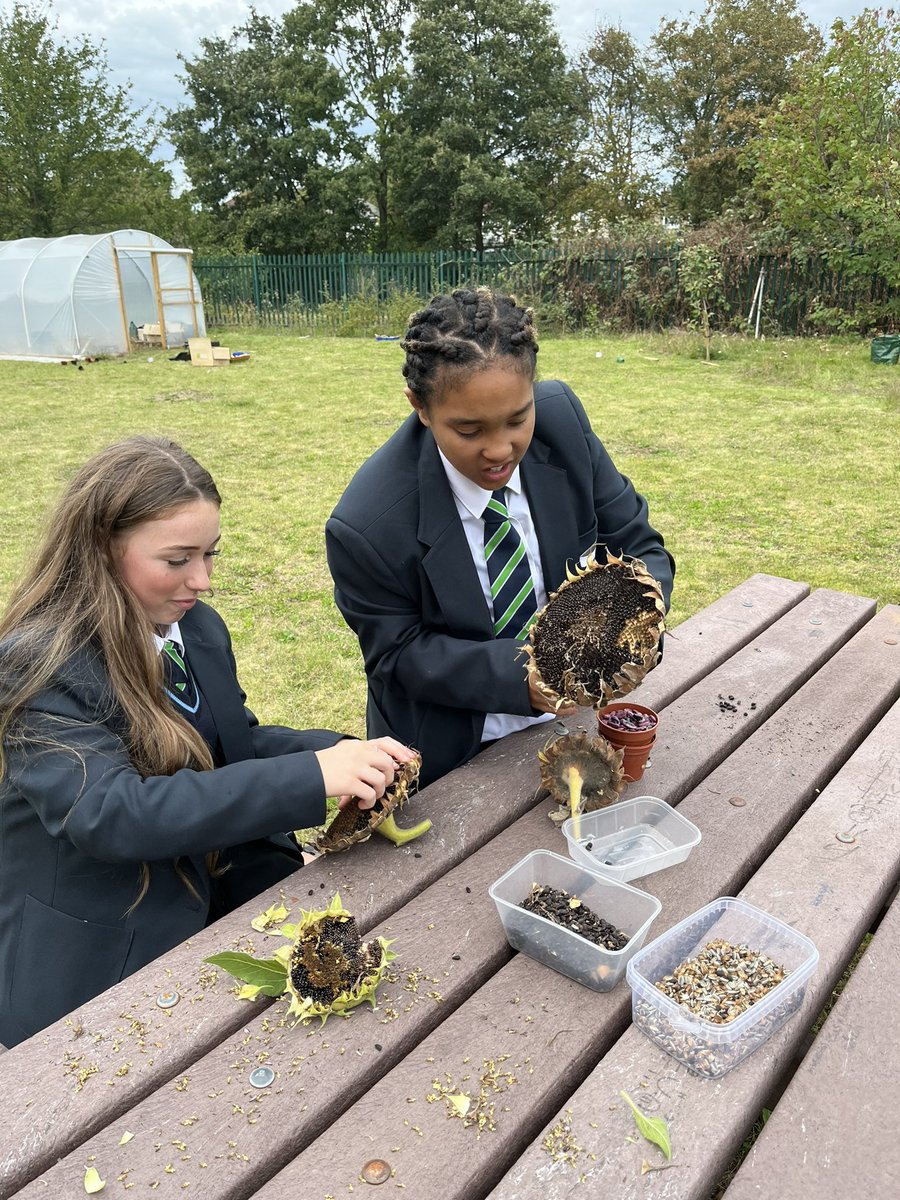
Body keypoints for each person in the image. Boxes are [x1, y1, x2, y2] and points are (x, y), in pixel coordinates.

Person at [0, 436, 414, 1048]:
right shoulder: (41, 664)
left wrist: (345, 753)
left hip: (212, 915)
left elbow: (229, 743)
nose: (203, 580)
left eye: (210, 555)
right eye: (177, 559)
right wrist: (311, 777)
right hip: (101, 962)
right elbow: (111, 813)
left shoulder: (194, 627)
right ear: (100, 552)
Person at [326, 287, 675, 789]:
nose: (500, 449)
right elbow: (397, 655)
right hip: (452, 754)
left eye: (517, 419)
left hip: (578, 725)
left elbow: (638, 545)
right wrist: (525, 678)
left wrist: (634, 630)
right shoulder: (367, 525)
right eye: (468, 430)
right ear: (420, 407)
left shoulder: (563, 424)